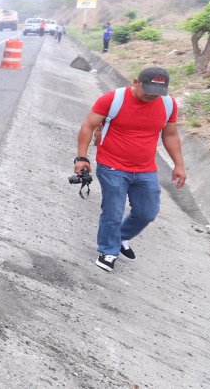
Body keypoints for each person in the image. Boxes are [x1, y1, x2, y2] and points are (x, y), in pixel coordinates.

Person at [74, 67, 186, 273]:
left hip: (146, 169)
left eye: (157, 93)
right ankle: (108, 250)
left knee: (147, 213)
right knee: (113, 212)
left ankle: (120, 237)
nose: (152, 96)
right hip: (112, 166)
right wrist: (82, 157)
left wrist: (179, 164)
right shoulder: (113, 99)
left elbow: (170, 135)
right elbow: (88, 125)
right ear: (136, 82)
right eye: (148, 91)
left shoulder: (168, 104)